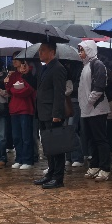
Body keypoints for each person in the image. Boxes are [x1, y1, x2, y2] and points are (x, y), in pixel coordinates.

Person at [77, 41, 112, 181]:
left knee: (100, 139)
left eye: (82, 50)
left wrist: (89, 102)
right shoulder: (85, 66)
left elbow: (99, 86)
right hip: (88, 109)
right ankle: (95, 164)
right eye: (79, 50)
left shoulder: (97, 65)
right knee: (92, 139)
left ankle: (105, 168)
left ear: (89, 50)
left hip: (97, 109)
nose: (80, 53)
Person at [36, 42, 68, 189]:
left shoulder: (58, 68)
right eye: (40, 50)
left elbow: (59, 93)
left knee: (56, 147)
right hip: (43, 112)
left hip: (52, 114)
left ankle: (58, 177)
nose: (40, 53)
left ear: (52, 52)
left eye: (43, 50)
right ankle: (50, 173)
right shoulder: (44, 68)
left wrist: (57, 114)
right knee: (48, 147)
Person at [7, 58, 36, 170]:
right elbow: (9, 89)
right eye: (13, 59)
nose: (14, 62)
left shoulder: (29, 73)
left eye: (17, 59)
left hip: (26, 108)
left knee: (26, 136)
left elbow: (28, 89)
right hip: (14, 108)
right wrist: (13, 88)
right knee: (16, 136)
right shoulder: (13, 75)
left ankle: (28, 159)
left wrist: (16, 91)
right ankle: (19, 158)